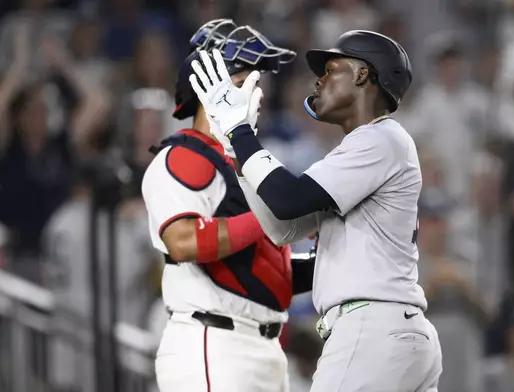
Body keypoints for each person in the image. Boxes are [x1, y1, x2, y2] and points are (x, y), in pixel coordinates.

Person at [189, 30, 443, 392]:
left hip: (372, 330)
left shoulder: (380, 138)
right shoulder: (362, 149)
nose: (319, 79)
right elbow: (283, 225)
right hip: (393, 335)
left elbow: (288, 199)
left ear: (360, 74)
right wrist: (236, 148)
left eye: (331, 68)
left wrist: (241, 133)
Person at [141, 19, 316, 392]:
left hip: (262, 346)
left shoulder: (240, 161)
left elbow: (265, 267)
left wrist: (335, 258)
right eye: (246, 83)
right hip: (213, 343)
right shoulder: (182, 157)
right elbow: (184, 242)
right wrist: (276, 218)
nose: (259, 95)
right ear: (212, 90)